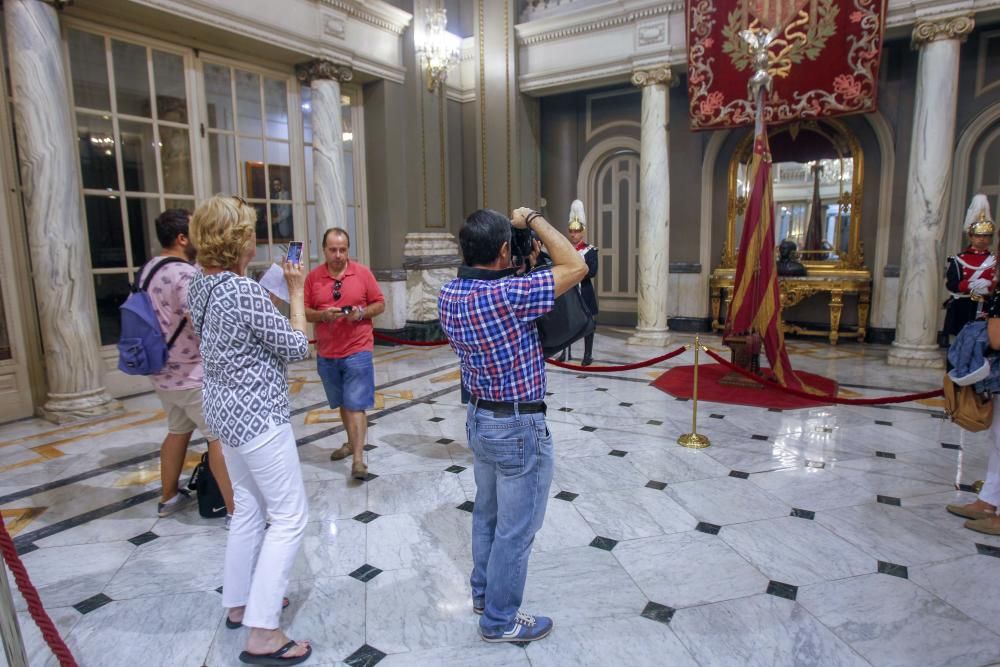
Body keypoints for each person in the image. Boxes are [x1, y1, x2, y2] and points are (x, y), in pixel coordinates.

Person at [438, 207, 587, 643]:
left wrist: (516, 258)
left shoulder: (449, 294)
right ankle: (500, 620)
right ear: (504, 249)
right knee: (516, 530)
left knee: (487, 513)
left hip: (480, 417)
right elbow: (576, 264)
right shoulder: (512, 295)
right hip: (519, 425)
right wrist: (534, 218)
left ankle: (484, 594)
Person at [188, 195, 312, 665]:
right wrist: (296, 290)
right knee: (288, 517)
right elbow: (297, 346)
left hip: (222, 413)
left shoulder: (199, 287)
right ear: (239, 240)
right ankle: (262, 632)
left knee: (245, 511)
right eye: (250, 232)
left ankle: (239, 602)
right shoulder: (242, 292)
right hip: (258, 415)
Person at [143, 208, 234, 523]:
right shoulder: (184, 274)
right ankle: (235, 510)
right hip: (192, 373)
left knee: (176, 432)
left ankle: (168, 496)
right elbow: (200, 321)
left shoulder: (151, 268)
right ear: (183, 238)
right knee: (218, 437)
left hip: (163, 373)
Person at [304, 228, 385, 480]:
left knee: (356, 404)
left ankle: (359, 460)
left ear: (348, 250)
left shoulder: (362, 273)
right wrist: (321, 315)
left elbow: (379, 303)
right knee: (342, 402)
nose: (338, 255)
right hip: (327, 352)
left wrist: (361, 313)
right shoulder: (313, 278)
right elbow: (304, 311)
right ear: (324, 250)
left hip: (357, 349)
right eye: (333, 250)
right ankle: (351, 443)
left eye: (343, 249)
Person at [943, 194, 996, 341]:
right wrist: (969, 285)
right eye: (978, 235)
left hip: (986, 305)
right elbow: (951, 284)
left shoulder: (995, 260)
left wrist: (990, 284)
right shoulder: (959, 259)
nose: (982, 239)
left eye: (986, 236)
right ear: (970, 236)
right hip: (962, 305)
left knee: (983, 345)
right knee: (958, 344)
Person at [557, 200, 599, 365]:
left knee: (589, 323)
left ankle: (587, 355)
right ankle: (564, 352)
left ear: (582, 232)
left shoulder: (591, 250)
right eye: (571, 231)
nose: (573, 234)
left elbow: (593, 271)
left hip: (584, 290)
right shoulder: (564, 250)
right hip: (568, 290)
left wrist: (575, 272)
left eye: (576, 231)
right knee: (565, 322)